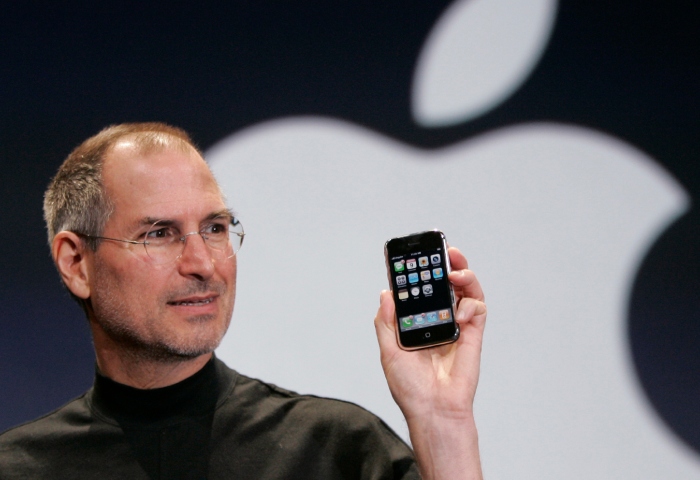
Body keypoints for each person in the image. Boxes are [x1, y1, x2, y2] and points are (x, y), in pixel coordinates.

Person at [0, 123, 487, 479]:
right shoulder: (19, 468)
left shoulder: (335, 451)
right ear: (76, 264)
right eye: (159, 233)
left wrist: (442, 420)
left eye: (214, 228)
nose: (203, 263)